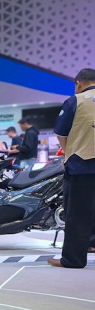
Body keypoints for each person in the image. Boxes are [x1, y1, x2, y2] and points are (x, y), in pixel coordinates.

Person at [47, 68, 95, 268]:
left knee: (77, 214)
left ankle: (73, 259)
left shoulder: (75, 101)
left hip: (81, 165)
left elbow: (61, 132)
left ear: (78, 83)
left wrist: (68, 153)